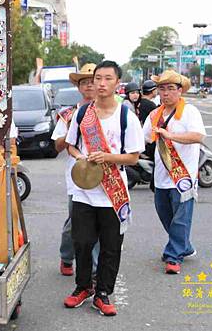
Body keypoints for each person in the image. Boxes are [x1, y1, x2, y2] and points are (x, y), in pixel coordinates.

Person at [64, 60, 144, 316]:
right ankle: (83, 287)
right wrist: (81, 159)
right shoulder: (82, 114)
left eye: (107, 78)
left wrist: (107, 158)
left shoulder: (126, 117)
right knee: (82, 242)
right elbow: (71, 146)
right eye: (98, 78)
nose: (101, 83)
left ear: (117, 83)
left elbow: (133, 157)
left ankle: (104, 293)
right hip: (84, 192)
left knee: (111, 246)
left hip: (114, 192)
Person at [143, 70, 206, 275]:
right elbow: (143, 138)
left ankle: (173, 255)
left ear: (180, 91)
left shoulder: (190, 111)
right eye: (162, 88)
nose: (166, 93)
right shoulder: (155, 114)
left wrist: (170, 135)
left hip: (183, 177)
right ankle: (184, 245)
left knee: (180, 217)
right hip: (161, 176)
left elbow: (197, 136)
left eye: (171, 88)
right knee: (165, 214)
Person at [50, 63, 99, 277]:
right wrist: (71, 128)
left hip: (103, 176)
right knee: (75, 222)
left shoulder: (110, 112)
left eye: (93, 81)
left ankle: (95, 271)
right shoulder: (68, 114)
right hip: (77, 177)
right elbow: (57, 146)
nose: (89, 86)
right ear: (79, 87)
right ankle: (66, 255)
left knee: (98, 224)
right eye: (84, 83)